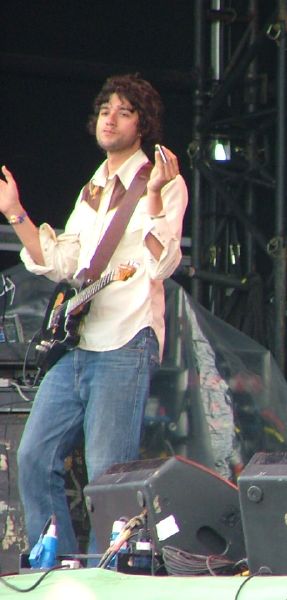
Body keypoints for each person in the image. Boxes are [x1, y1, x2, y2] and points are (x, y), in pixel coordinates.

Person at [0, 73, 188, 554]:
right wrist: (16, 213)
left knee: (109, 476)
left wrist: (151, 197)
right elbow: (64, 262)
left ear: (143, 125)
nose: (111, 118)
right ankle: (55, 567)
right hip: (79, 343)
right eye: (106, 109)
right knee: (34, 455)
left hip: (126, 341)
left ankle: (113, 576)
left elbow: (162, 263)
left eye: (125, 111)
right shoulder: (94, 186)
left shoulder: (163, 181)